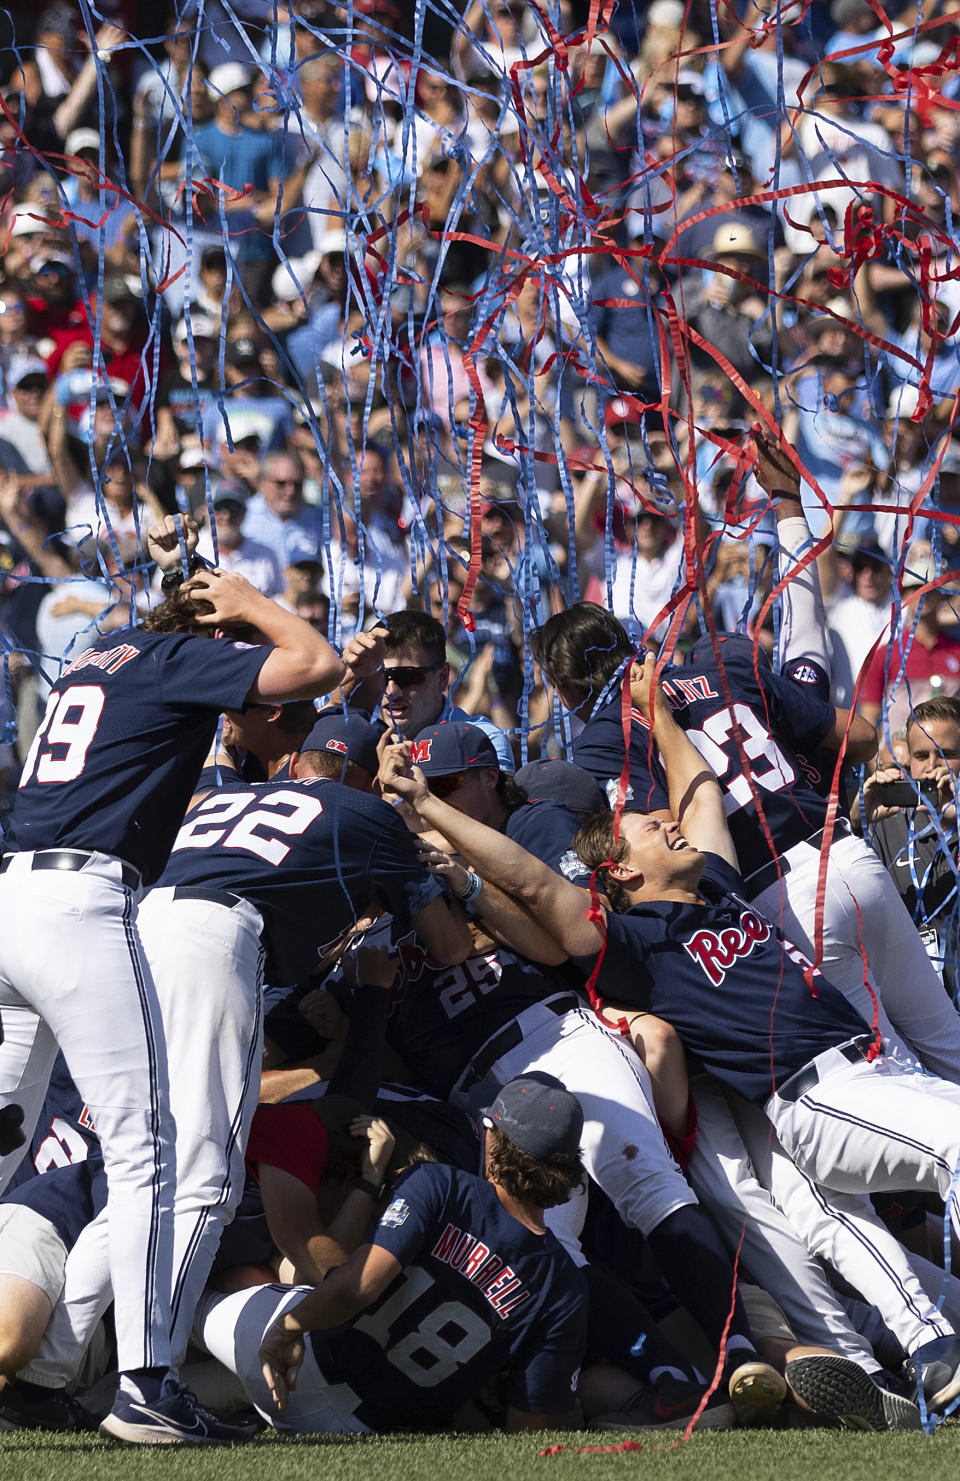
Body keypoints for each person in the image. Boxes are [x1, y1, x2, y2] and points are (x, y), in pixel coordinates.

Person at [379, 656, 960, 1428]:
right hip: (814, 1092)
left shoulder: (715, 883)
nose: (665, 819)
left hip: (864, 1069)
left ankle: (912, 1352)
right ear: (618, 868)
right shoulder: (635, 940)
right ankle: (896, 1348)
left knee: (821, 1215)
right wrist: (431, 809)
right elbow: (540, 884)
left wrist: (659, 712)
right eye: (646, 826)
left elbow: (704, 792)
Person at [0, 512, 346, 1445]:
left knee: (1, 1138)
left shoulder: (105, 654)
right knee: (150, 1148)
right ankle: (147, 1386)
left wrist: (197, 580)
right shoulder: (173, 658)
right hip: (80, 907)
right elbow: (317, 663)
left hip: (11, 899)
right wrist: (249, 602)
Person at [201, 1074, 589, 1433]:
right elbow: (530, 1423)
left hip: (316, 1363)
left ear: (493, 1141)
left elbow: (359, 1286)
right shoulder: (566, 1285)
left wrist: (288, 1329)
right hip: (374, 1429)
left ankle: (147, 1386)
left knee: (194, 1305)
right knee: (238, 1378)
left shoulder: (445, 1185)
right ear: (569, 1172)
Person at [867, 696, 960, 1001]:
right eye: (921, 755)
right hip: (923, 1012)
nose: (932, 767)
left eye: (946, 754)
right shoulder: (886, 825)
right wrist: (856, 824)